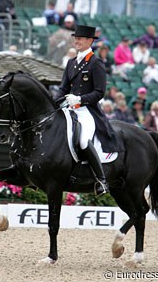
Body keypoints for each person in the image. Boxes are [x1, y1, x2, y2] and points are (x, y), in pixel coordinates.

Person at [55, 25, 121, 196]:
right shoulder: (71, 62)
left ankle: (101, 179)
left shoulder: (95, 63)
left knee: (83, 140)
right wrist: (53, 104)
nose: (76, 41)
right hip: (69, 109)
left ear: (90, 41)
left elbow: (99, 92)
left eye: (81, 38)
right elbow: (63, 89)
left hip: (87, 111)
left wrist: (80, 99)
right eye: (75, 38)